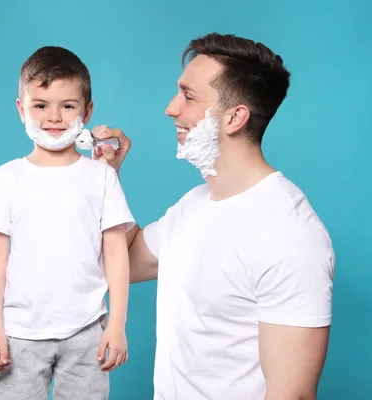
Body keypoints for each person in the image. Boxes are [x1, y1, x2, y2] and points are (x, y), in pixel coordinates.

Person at [93, 33, 335, 400]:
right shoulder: (193, 206)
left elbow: (293, 394)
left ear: (235, 117)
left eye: (188, 96)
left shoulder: (290, 232)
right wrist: (107, 177)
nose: (171, 108)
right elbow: (123, 260)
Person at [0, 46, 135, 400]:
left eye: (68, 105)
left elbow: (116, 254)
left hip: (87, 331)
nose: (54, 116)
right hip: (20, 334)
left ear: (87, 111)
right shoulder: (7, 178)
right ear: (21, 109)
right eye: (41, 105)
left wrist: (118, 324)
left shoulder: (101, 177)